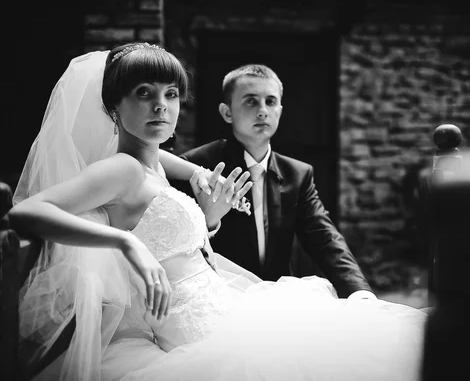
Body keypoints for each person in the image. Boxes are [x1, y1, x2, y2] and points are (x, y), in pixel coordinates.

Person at [9, 43, 427, 381]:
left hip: (221, 307)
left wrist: (209, 213)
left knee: (347, 341)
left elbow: (186, 209)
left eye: (170, 94)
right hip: (192, 336)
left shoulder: (154, 160)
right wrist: (123, 242)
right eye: (144, 93)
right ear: (113, 107)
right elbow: (26, 212)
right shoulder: (120, 168)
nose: (160, 106)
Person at [175, 64, 374, 299]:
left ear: (280, 109)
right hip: (219, 297)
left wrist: (359, 291)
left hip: (278, 300)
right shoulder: (196, 166)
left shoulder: (298, 174)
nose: (262, 111)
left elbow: (325, 239)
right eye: (251, 101)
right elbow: (181, 246)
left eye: (270, 102)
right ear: (227, 112)